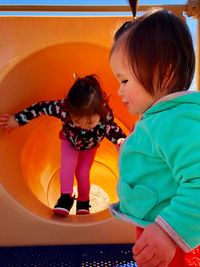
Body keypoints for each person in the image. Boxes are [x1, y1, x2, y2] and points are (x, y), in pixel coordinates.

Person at [109, 8, 200, 267]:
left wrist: (169, 233)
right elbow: (163, 162)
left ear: (165, 72)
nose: (119, 90)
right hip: (159, 228)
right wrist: (131, 152)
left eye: (125, 80)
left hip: (177, 235)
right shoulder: (160, 117)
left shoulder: (178, 120)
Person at [0, 74, 126, 216]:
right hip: (69, 141)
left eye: (90, 123)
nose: (84, 127)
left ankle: (83, 202)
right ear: (69, 110)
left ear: (100, 111)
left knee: (82, 173)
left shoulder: (105, 117)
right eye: (77, 122)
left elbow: (114, 131)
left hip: (90, 147)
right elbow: (41, 107)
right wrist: (17, 119)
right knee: (67, 165)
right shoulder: (63, 109)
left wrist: (122, 142)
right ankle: (66, 197)